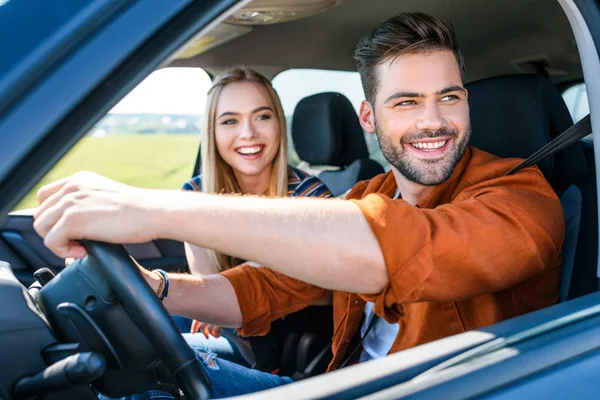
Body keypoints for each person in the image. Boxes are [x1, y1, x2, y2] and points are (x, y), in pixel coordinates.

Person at [33, 12, 564, 399]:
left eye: (449, 96)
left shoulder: (520, 199)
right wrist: (161, 291)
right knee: (131, 377)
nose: (433, 121)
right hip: (340, 384)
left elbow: (403, 247)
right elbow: (264, 288)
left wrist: (157, 209)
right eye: (406, 102)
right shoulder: (368, 195)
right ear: (369, 118)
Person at [176, 66, 332, 369]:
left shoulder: (312, 197)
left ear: (279, 124)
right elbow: (206, 286)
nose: (248, 133)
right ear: (212, 131)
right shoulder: (195, 194)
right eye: (230, 121)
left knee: (155, 357)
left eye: (262, 116)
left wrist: (222, 294)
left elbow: (324, 295)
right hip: (231, 333)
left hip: (292, 344)